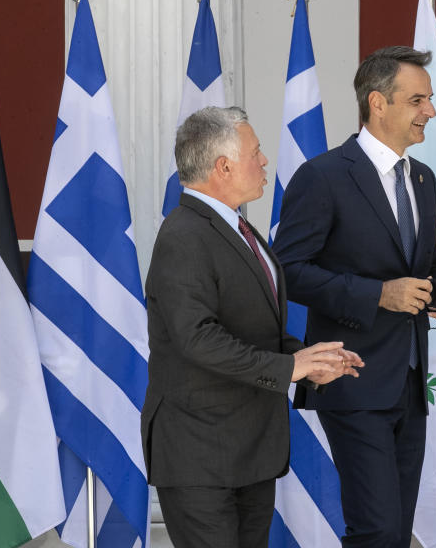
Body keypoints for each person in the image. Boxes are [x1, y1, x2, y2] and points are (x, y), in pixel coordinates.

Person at [141, 106, 363, 548]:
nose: (264, 162)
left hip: (249, 452)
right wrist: (288, 368)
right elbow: (197, 338)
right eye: (256, 152)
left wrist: (310, 360)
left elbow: (256, 325)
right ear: (223, 166)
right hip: (201, 454)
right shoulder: (184, 235)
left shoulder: (238, 228)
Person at [273, 46, 436, 547]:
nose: (431, 112)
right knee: (376, 529)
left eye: (430, 99)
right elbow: (287, 271)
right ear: (378, 103)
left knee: (395, 531)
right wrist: (378, 295)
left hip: (411, 383)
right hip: (352, 380)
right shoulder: (323, 177)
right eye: (418, 100)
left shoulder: (423, 179)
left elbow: (425, 262)